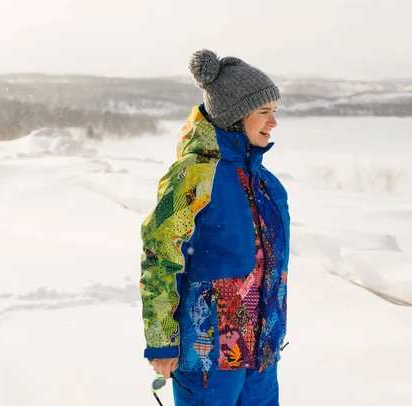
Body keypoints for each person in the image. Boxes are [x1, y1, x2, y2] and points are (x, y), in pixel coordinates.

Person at [140, 49, 290, 405]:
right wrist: (162, 341)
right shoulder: (194, 174)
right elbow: (160, 255)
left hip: (261, 352)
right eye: (264, 113)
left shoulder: (265, 183)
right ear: (237, 117)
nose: (273, 123)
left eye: (275, 112)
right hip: (209, 356)